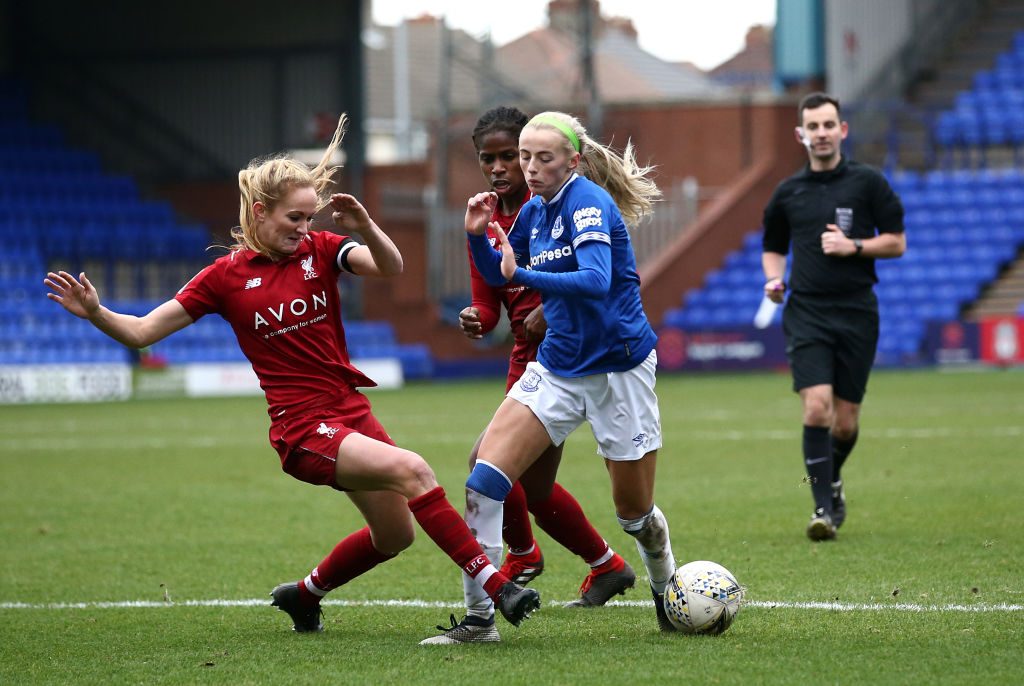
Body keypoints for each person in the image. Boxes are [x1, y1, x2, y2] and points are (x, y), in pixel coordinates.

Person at [43, 114, 540, 634]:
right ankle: (497, 587)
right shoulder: (223, 278)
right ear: (260, 212)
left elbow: (390, 267)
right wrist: (98, 312)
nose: (303, 229)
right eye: (293, 219)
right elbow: (143, 332)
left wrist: (366, 226)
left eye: (309, 219)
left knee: (395, 537)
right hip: (302, 428)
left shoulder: (321, 249)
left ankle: (304, 595)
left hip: (351, 412)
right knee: (415, 470)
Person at [423, 110, 676, 644]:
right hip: (557, 367)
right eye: (525, 157)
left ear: (573, 160)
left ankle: (665, 586)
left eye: (543, 158)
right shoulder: (534, 212)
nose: (529, 168)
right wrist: (474, 238)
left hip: (618, 370)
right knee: (484, 481)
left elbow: (595, 280)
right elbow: (498, 275)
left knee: (635, 514)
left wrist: (524, 275)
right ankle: (479, 621)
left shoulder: (589, 202)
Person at [455, 106, 636, 620]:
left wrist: (550, 312)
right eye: (486, 159)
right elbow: (490, 301)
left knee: (487, 466)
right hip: (525, 358)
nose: (499, 168)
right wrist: (476, 316)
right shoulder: (484, 218)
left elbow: (602, 276)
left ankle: (526, 555)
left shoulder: (565, 206)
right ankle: (604, 564)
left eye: (509, 156)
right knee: (527, 485)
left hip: (579, 354)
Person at [761, 92, 906, 541]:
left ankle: (831, 481)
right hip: (807, 310)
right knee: (817, 405)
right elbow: (773, 246)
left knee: (845, 422)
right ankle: (823, 508)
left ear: (842, 130)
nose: (821, 133)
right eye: (813, 126)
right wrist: (773, 279)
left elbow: (897, 241)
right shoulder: (788, 192)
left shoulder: (868, 183)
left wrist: (854, 246)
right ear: (801, 133)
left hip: (858, 309)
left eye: (829, 125)